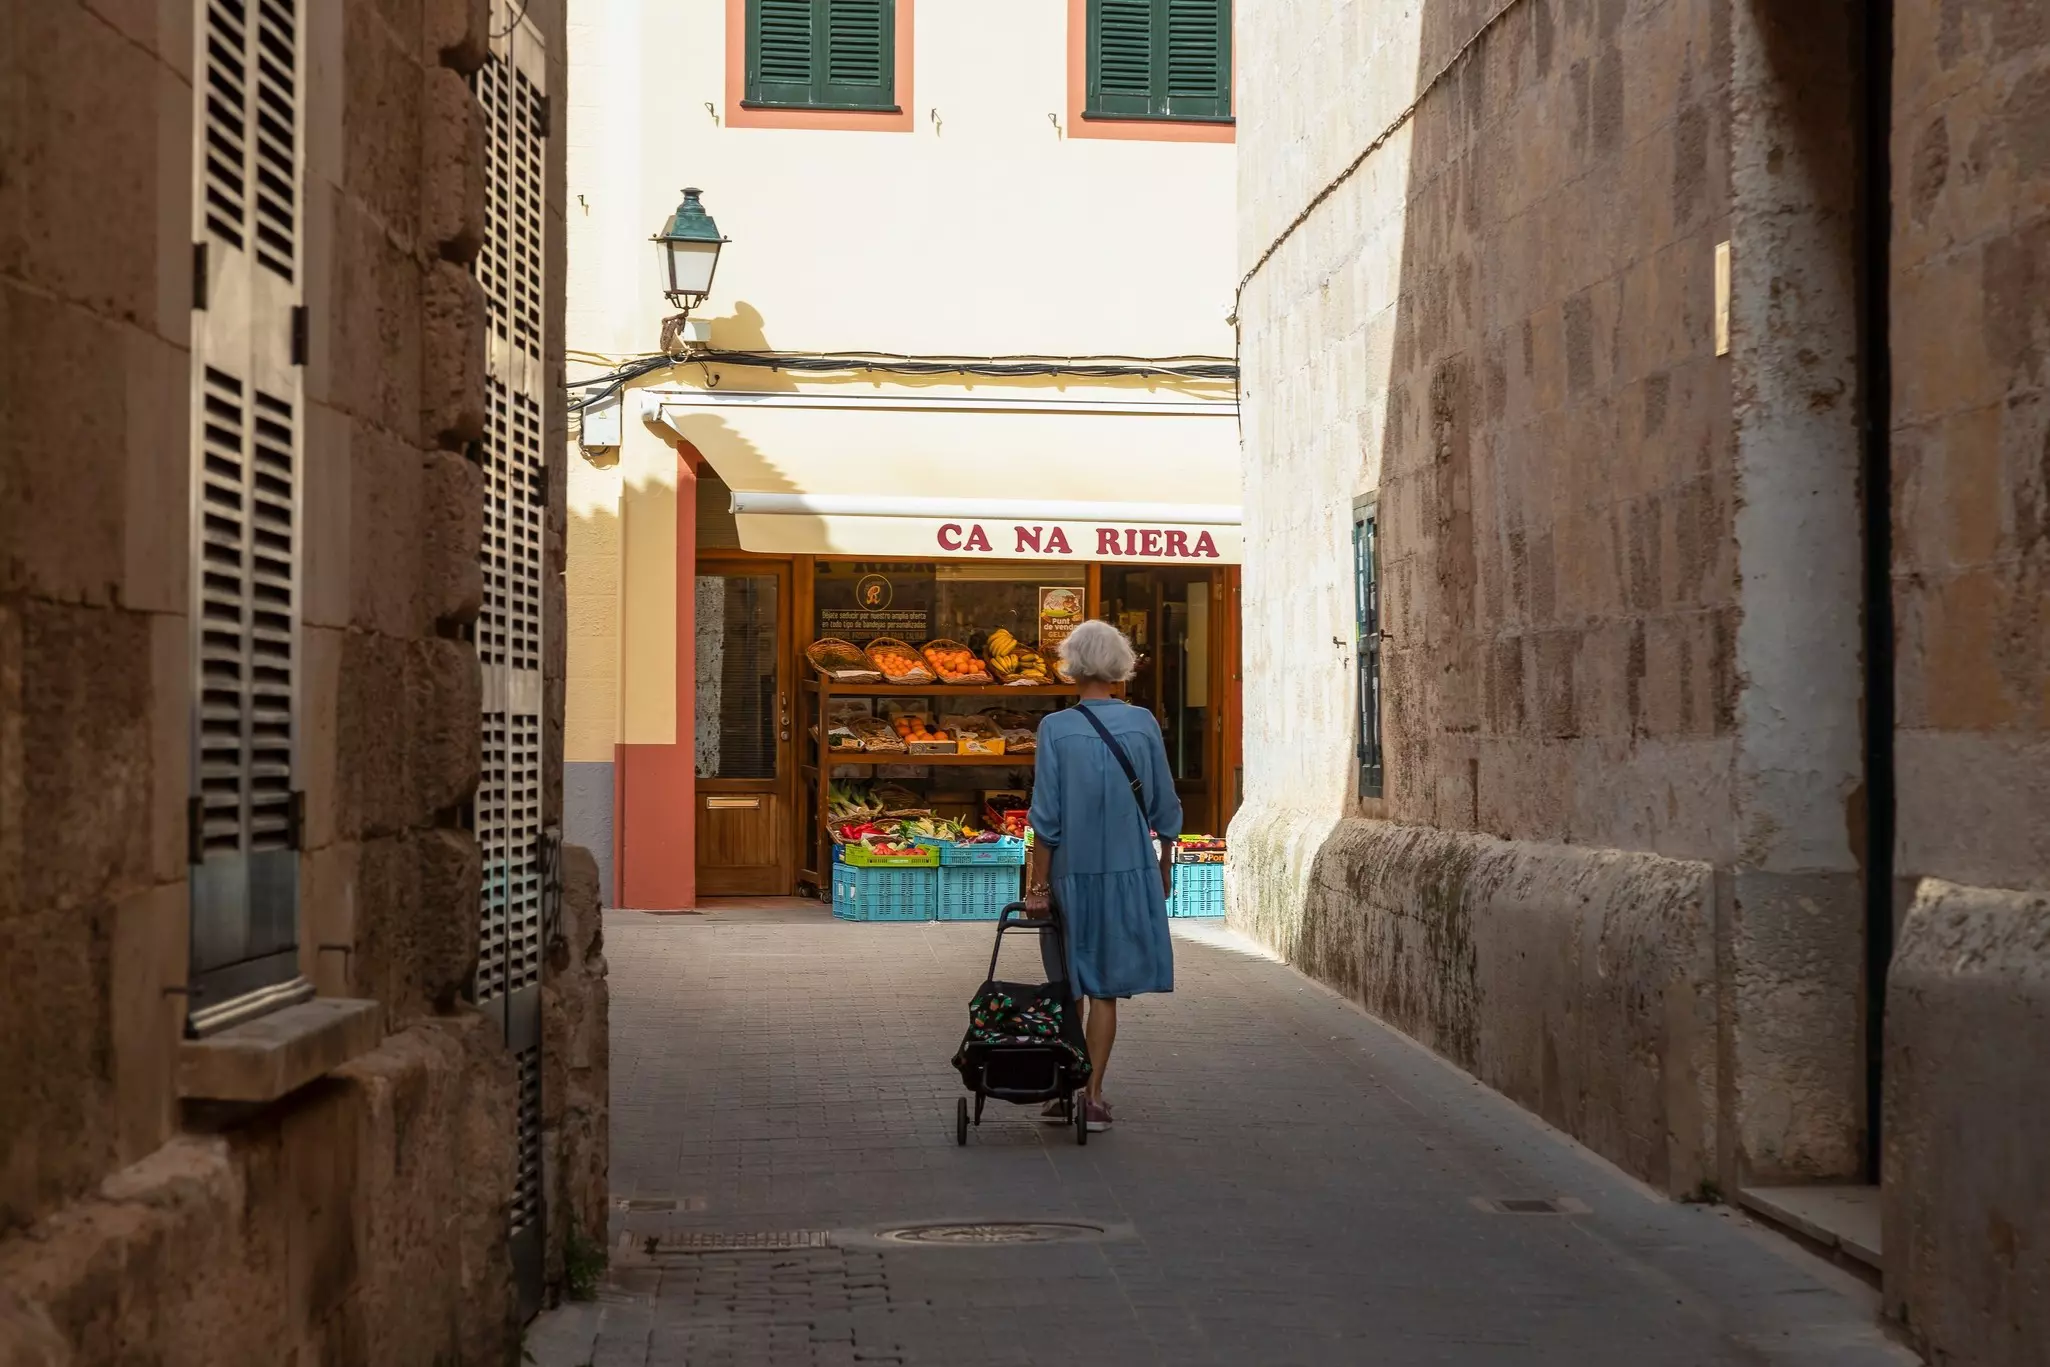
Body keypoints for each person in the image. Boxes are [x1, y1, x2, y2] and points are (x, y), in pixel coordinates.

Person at [1021, 619, 1181, 1133]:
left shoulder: (1055, 729)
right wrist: (1164, 863)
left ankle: (1062, 1091)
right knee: (1106, 990)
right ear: (1120, 665)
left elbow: (1046, 817)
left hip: (1072, 873)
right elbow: (1163, 805)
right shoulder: (1143, 724)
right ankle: (1092, 1094)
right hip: (1129, 870)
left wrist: (1038, 885)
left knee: (1067, 985)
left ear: (1072, 666)